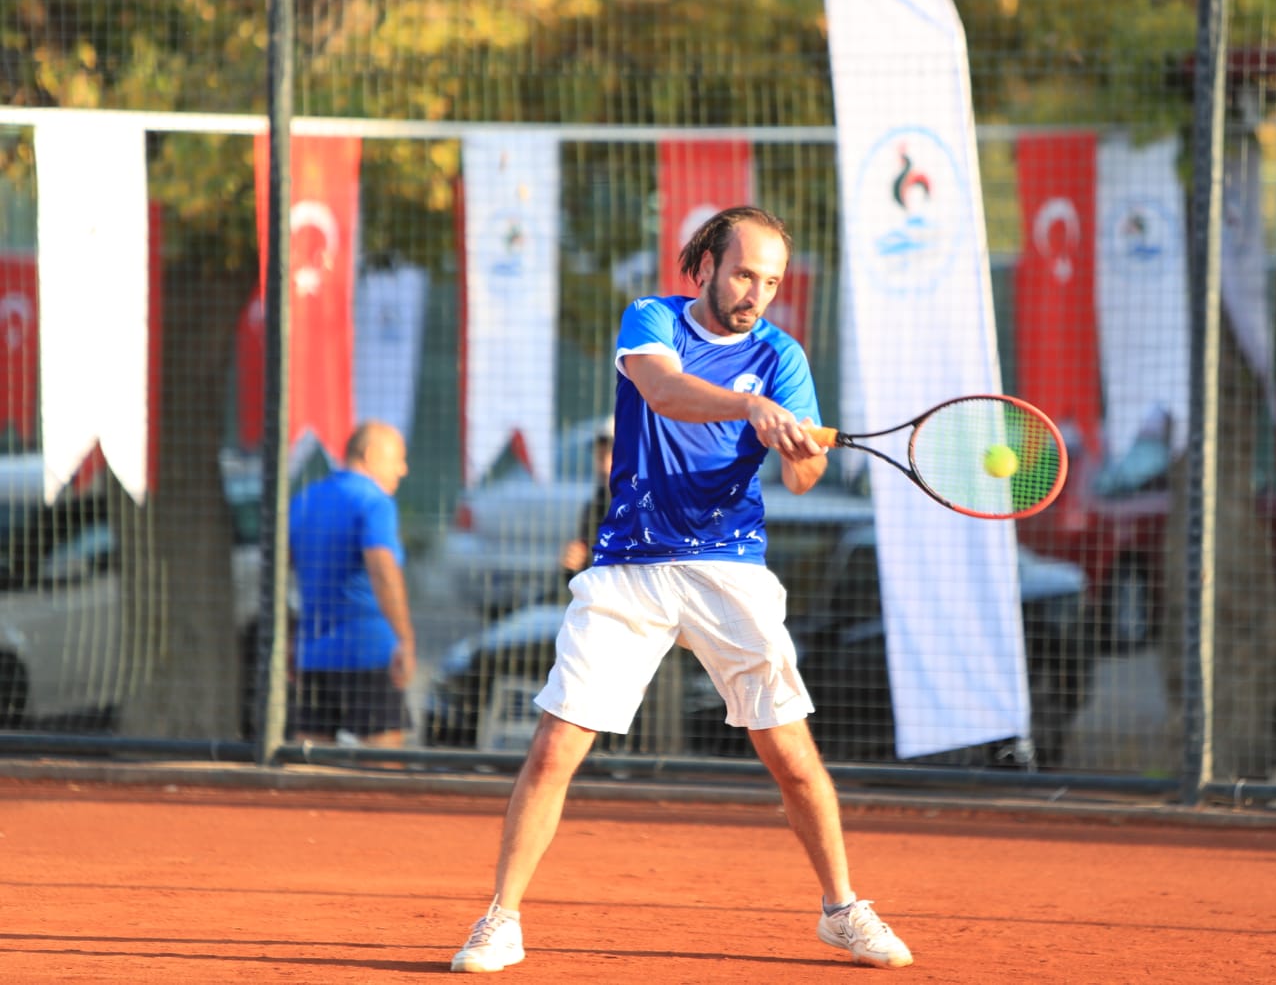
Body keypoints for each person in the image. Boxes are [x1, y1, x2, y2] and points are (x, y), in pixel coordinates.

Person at [450, 207, 914, 973]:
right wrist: (749, 406)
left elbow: (804, 479)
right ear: (706, 266)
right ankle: (501, 920)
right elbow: (664, 392)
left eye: (771, 282)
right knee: (555, 746)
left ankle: (842, 910)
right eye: (744, 274)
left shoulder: (783, 356)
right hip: (630, 564)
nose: (755, 294)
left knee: (792, 755)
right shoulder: (653, 319)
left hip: (729, 565)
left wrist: (799, 448)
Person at [287, 420, 417, 749]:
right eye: (397, 459)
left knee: (309, 764)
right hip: (370, 654)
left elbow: (282, 572)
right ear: (370, 454)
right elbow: (382, 569)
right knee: (383, 766)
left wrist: (291, 637)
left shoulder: (304, 500)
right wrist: (404, 638)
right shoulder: (375, 502)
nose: (403, 470)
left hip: (313, 656)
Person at [558, 419, 614, 581]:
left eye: (612, 454)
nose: (604, 465)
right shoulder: (594, 506)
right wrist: (572, 565)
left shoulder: (647, 507)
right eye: (600, 455)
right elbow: (587, 570)